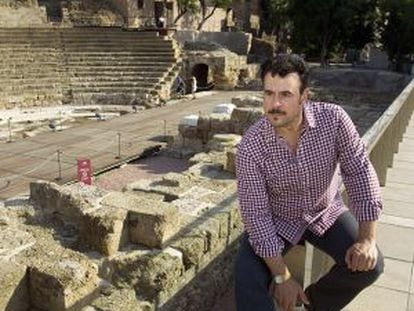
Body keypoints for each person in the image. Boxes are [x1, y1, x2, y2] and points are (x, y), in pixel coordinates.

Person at [235, 54, 384, 311]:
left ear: (305, 97)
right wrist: (283, 277)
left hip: (325, 211)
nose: (275, 104)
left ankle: (311, 305)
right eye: (268, 94)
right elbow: (257, 216)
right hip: (277, 219)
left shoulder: (334, 120)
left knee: (371, 265)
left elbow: (359, 171)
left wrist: (367, 240)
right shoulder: (251, 146)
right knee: (246, 279)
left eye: (286, 95)